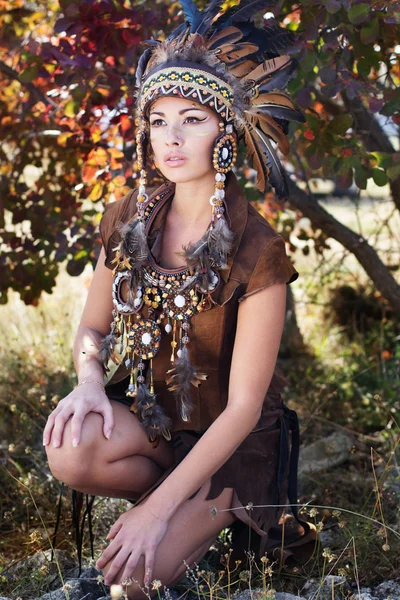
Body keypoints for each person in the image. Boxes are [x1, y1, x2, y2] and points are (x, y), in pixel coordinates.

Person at [43, 2, 318, 597]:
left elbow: (244, 409)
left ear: (226, 132)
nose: (171, 137)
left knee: (132, 584)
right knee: (71, 447)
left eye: (191, 120)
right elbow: (92, 327)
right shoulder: (126, 219)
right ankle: (175, 495)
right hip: (157, 419)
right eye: (159, 120)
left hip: (231, 446)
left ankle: (206, 509)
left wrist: (152, 513)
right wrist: (89, 381)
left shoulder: (260, 250)